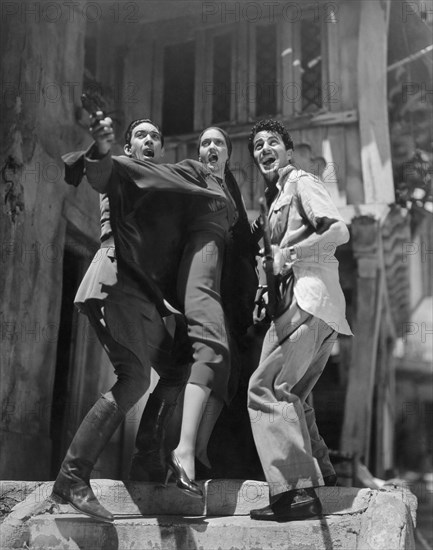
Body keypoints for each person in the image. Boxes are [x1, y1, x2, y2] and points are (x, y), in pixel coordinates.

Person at [53, 116, 230, 520]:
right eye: (141, 135)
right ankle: (71, 479)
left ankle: (147, 458)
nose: (148, 140)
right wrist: (100, 146)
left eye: (155, 136)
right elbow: (99, 172)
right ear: (129, 147)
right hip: (116, 281)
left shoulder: (159, 179)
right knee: (133, 379)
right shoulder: (123, 170)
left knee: (175, 369)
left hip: (143, 294)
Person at [246, 119, 352, 522]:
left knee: (267, 389)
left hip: (305, 300)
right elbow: (271, 258)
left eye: (273, 142)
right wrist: (262, 289)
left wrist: (292, 252)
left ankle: (295, 494)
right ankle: (323, 478)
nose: (264, 149)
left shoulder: (301, 182)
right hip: (316, 308)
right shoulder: (274, 198)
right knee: (296, 398)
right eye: (258, 145)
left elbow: (339, 230)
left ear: (288, 152)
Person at [169, 127, 258, 481]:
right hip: (201, 276)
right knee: (202, 359)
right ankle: (177, 451)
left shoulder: (229, 188)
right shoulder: (192, 172)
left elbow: (242, 243)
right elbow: (159, 182)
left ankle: (199, 449)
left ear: (228, 152)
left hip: (229, 293)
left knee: (228, 372)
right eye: (205, 142)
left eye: (218, 142)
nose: (210, 147)